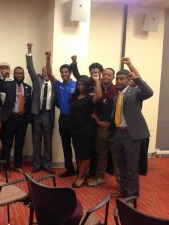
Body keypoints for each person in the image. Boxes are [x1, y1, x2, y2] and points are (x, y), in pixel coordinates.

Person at [109, 57, 153, 198]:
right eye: (117, 79)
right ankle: (122, 190)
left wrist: (135, 75)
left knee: (131, 167)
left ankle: (132, 195)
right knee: (121, 166)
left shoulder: (135, 92)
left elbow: (149, 92)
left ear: (128, 80)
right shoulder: (117, 96)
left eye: (122, 79)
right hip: (118, 134)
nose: (119, 81)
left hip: (131, 135)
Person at [26, 43, 56, 174]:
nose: (45, 72)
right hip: (37, 114)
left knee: (48, 141)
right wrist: (29, 51)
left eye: (47, 70)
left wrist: (48, 60)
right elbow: (30, 67)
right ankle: (37, 164)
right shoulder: (36, 80)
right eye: (43, 70)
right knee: (36, 140)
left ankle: (47, 164)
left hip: (48, 115)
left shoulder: (55, 83)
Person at [45, 51, 76, 177]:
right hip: (63, 119)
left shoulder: (77, 84)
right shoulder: (58, 85)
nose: (63, 74)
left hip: (75, 119)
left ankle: (81, 170)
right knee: (66, 145)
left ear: (70, 73)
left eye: (66, 72)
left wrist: (74, 63)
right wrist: (48, 59)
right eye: (62, 72)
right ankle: (69, 169)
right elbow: (49, 73)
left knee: (77, 145)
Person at [0, 66, 32, 175]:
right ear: (14, 74)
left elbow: (29, 104)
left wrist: (28, 118)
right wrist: (2, 76)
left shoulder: (28, 87)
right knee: (7, 144)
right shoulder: (8, 85)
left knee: (19, 143)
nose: (19, 75)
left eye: (21, 73)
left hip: (22, 119)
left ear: (23, 74)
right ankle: (6, 167)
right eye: (17, 73)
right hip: (10, 118)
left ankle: (17, 165)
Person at [88, 68, 120, 187]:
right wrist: (98, 122)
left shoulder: (117, 90)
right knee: (101, 154)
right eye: (104, 74)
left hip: (114, 128)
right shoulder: (96, 88)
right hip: (100, 127)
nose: (106, 76)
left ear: (113, 77)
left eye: (109, 75)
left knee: (116, 156)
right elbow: (91, 109)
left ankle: (120, 182)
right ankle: (100, 177)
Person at [70, 75, 102, 188]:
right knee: (79, 154)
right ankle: (81, 174)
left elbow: (100, 96)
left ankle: (81, 178)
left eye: (82, 84)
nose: (80, 86)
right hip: (75, 129)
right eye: (78, 84)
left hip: (87, 129)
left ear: (87, 85)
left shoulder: (90, 97)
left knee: (85, 154)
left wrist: (97, 80)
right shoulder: (74, 97)